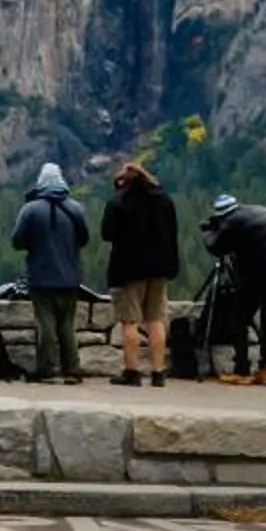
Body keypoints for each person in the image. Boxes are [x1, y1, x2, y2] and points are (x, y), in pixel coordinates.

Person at [98, 159, 178, 388]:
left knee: (129, 321)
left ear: (123, 182)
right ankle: (158, 372)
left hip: (128, 269)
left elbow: (107, 234)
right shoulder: (164, 200)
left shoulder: (119, 203)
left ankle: (132, 372)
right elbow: (173, 233)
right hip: (160, 268)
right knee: (156, 319)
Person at [200, 192, 266, 386]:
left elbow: (216, 247)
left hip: (258, 274)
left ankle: (241, 369)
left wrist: (208, 232)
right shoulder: (260, 210)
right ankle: (265, 368)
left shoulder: (232, 222)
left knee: (239, 318)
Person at [10, 162, 91, 384]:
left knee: (46, 324)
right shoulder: (75, 208)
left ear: (41, 183)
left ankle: (47, 369)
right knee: (67, 325)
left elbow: (17, 241)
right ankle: (72, 369)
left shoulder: (31, 209)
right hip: (71, 278)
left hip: (41, 276)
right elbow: (84, 239)